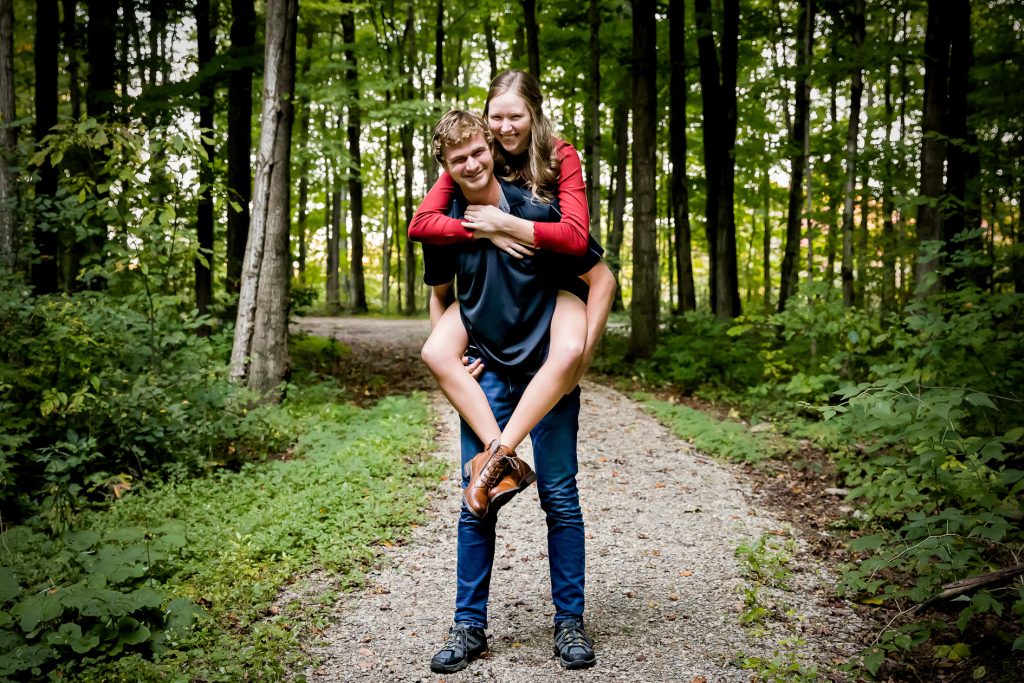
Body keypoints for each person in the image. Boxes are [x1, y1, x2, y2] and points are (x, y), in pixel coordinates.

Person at [411, 105, 614, 674]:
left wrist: (580, 355)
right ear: (446, 165)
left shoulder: (534, 212)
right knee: (475, 501)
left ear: (492, 149)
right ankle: (468, 626)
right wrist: (454, 356)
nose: (472, 163)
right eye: (459, 159)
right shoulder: (445, 223)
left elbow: (594, 273)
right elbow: (440, 295)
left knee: (561, 499)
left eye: (479, 152)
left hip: (545, 375)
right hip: (489, 373)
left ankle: (569, 622)